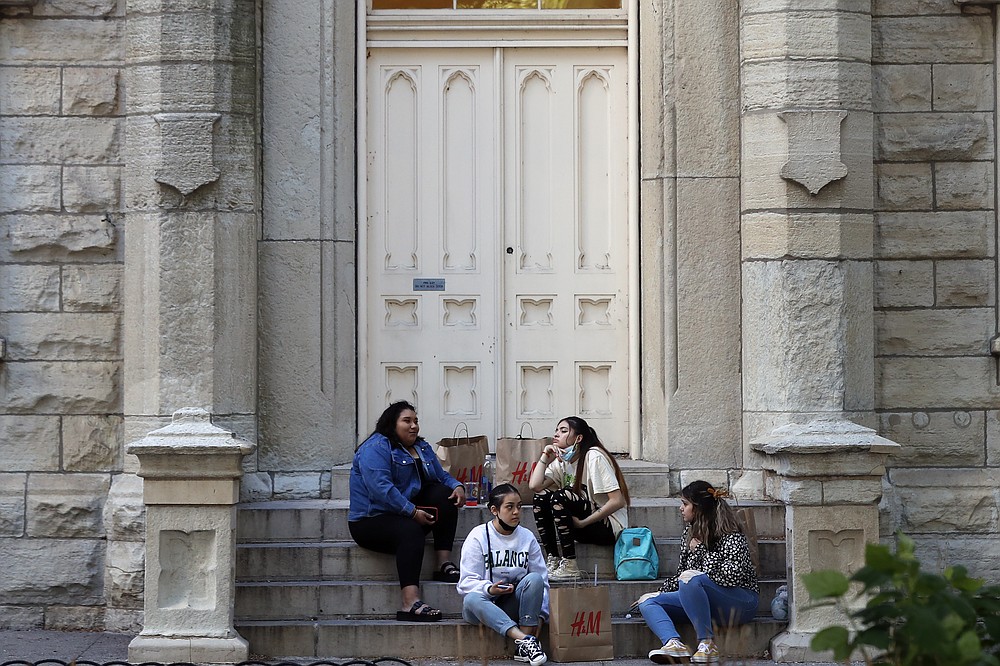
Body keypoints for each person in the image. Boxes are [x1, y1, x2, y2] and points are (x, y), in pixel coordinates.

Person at [348, 400, 466, 621]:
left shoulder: (420, 447)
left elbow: (441, 477)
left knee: (444, 494)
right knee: (410, 530)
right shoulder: (375, 448)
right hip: (371, 519)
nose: (414, 426)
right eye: (407, 421)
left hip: (403, 511)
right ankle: (409, 603)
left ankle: (443, 563)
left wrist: (457, 486)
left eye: (416, 421)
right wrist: (412, 512)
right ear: (392, 423)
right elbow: (381, 489)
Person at [636, 480, 759, 664]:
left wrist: (702, 551)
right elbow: (681, 574)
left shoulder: (731, 534)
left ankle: (707, 644)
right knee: (647, 601)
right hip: (702, 602)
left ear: (699, 508)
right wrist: (662, 591)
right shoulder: (689, 533)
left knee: (691, 578)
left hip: (741, 602)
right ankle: (673, 644)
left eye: (685, 504)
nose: (680, 508)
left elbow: (731, 577)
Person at [527, 415, 630, 581]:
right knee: (541, 497)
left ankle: (569, 564)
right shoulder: (562, 462)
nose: (556, 434)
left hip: (606, 527)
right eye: (556, 430)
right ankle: (553, 558)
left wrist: (584, 522)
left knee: (560, 496)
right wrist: (545, 456)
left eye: (563, 430)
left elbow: (617, 501)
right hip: (580, 525)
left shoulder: (594, 456)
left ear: (579, 438)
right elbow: (535, 486)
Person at [458, 483, 550, 666]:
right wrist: (489, 589)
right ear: (494, 510)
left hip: (512, 604)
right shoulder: (478, 536)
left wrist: (541, 615)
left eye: (519, 506)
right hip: (483, 608)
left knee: (535, 579)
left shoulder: (527, 537)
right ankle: (525, 640)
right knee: (471, 599)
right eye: (510, 507)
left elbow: (542, 582)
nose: (516, 512)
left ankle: (523, 649)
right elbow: (465, 582)